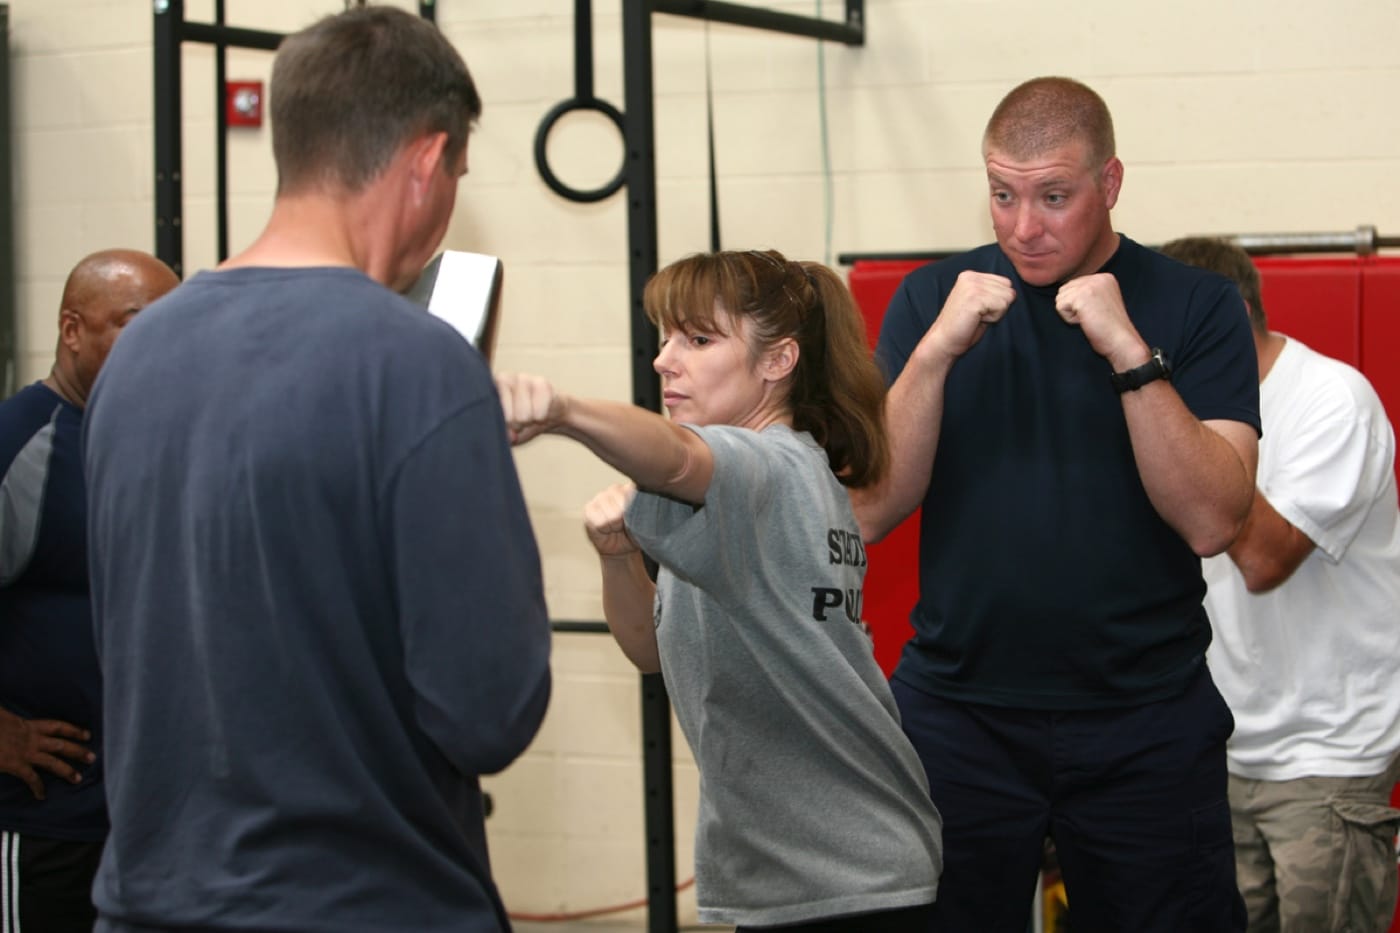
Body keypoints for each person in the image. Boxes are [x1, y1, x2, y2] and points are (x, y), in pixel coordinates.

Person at [81, 8, 551, 932]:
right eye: (456, 171)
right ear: (426, 161)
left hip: (147, 902)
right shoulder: (418, 365)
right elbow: (490, 710)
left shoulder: (135, 356)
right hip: (364, 903)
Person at [855, 76, 1262, 933]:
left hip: (1144, 716)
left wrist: (1126, 348)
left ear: (1109, 185)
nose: (1021, 227)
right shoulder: (935, 300)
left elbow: (1215, 519)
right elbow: (870, 509)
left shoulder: (1196, 304)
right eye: (1002, 194)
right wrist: (932, 358)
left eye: (1053, 197)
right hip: (961, 714)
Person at [496, 248, 943, 931]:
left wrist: (564, 410)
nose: (664, 360)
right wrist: (619, 558)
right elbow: (650, 649)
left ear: (777, 361)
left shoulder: (766, 467)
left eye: (698, 340)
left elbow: (675, 456)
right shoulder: (745, 498)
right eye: (666, 337)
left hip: (851, 877)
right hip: (791, 874)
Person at [1160, 235, 1400, 933]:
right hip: (1224, 750)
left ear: (1224, 318)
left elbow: (1264, 559)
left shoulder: (1331, 399)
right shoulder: (1194, 416)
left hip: (1326, 755)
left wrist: (1189, 435)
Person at [0, 248, 178, 933]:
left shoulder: (153, 442)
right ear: (73, 329)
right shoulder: (21, 444)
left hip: (141, 828)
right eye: (139, 324)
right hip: (42, 824)